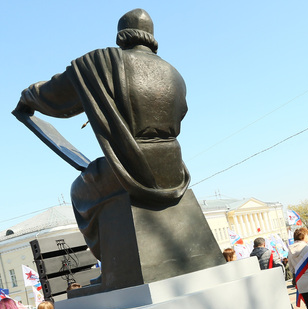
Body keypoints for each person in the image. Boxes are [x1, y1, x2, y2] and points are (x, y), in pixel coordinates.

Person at [15, 9, 190, 262]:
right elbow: (181, 112)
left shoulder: (103, 62)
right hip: (174, 169)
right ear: (151, 36)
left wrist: (26, 98)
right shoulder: (174, 73)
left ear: (121, 36)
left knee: (80, 191)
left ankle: (114, 265)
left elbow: (55, 95)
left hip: (132, 168)